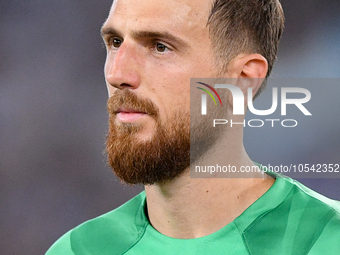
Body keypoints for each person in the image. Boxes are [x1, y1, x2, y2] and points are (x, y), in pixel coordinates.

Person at [46, 0, 340, 254]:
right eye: (115, 42)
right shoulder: (78, 249)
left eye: (160, 47)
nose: (117, 73)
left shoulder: (327, 240)